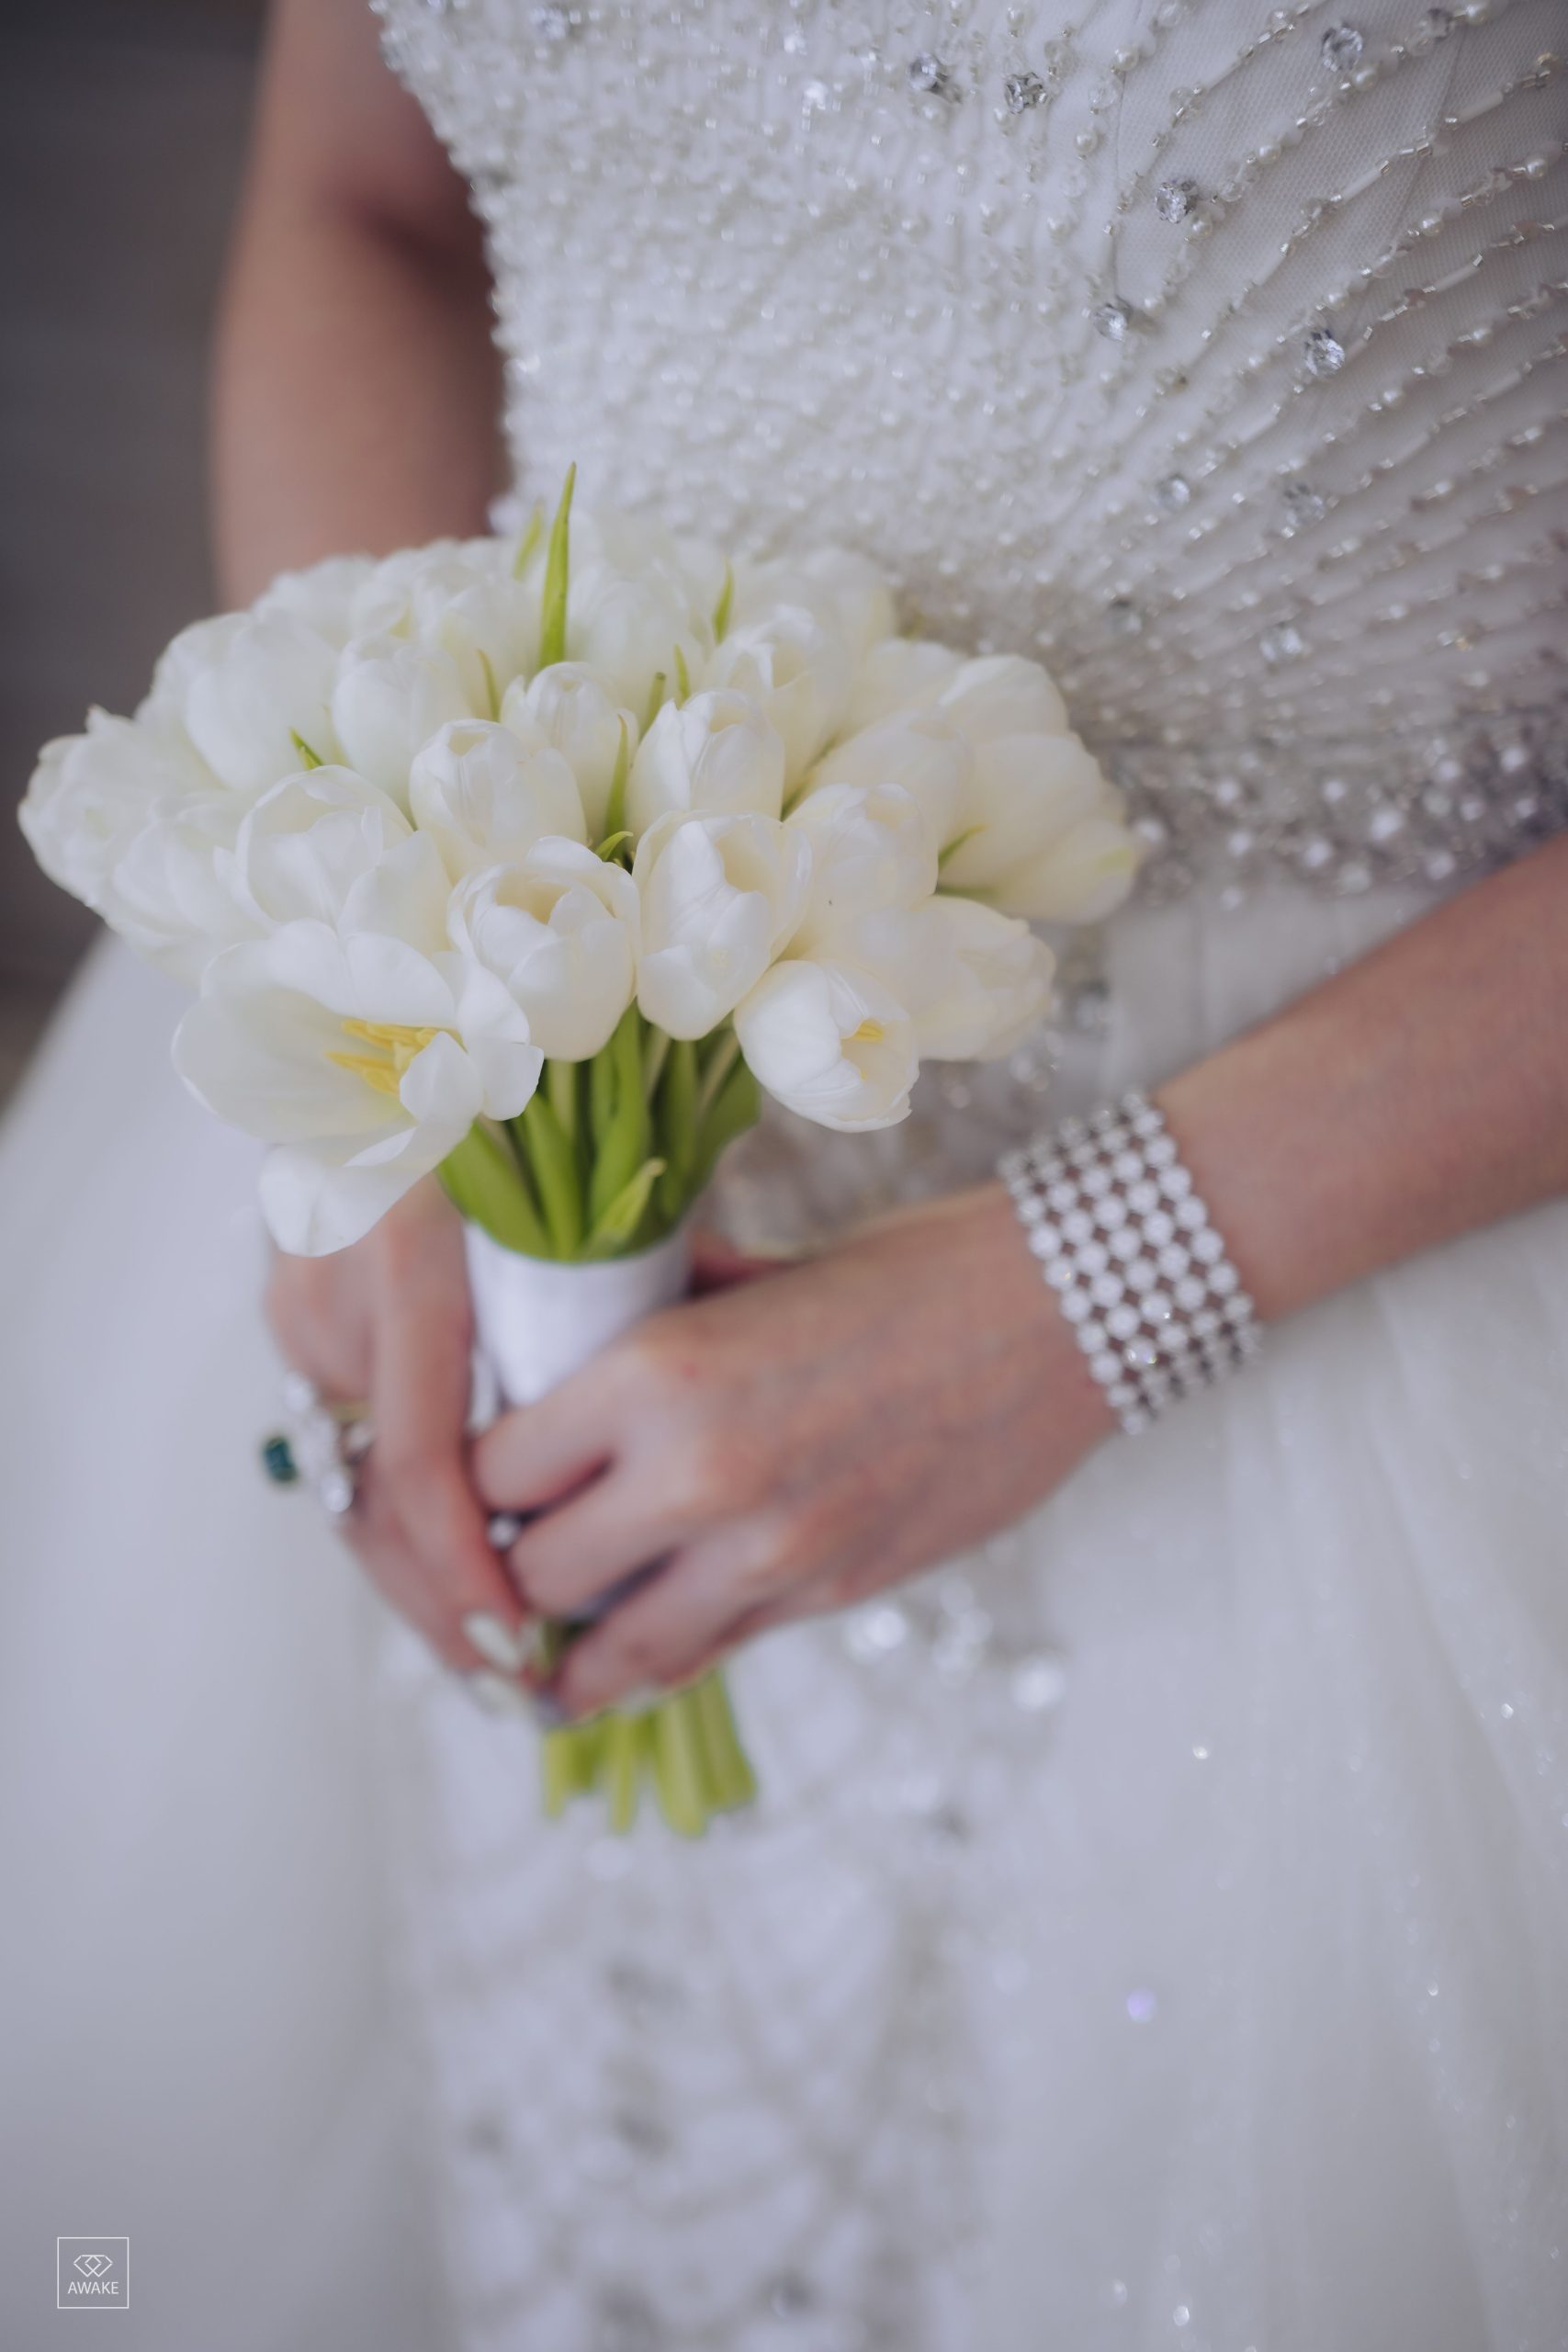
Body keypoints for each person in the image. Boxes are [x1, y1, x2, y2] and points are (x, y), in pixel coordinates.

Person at [2, 0, 1565, 2345]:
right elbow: (366, 203)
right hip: (538, 1088)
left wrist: (1090, 1280)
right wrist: (394, 995)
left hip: (1357, 1195)